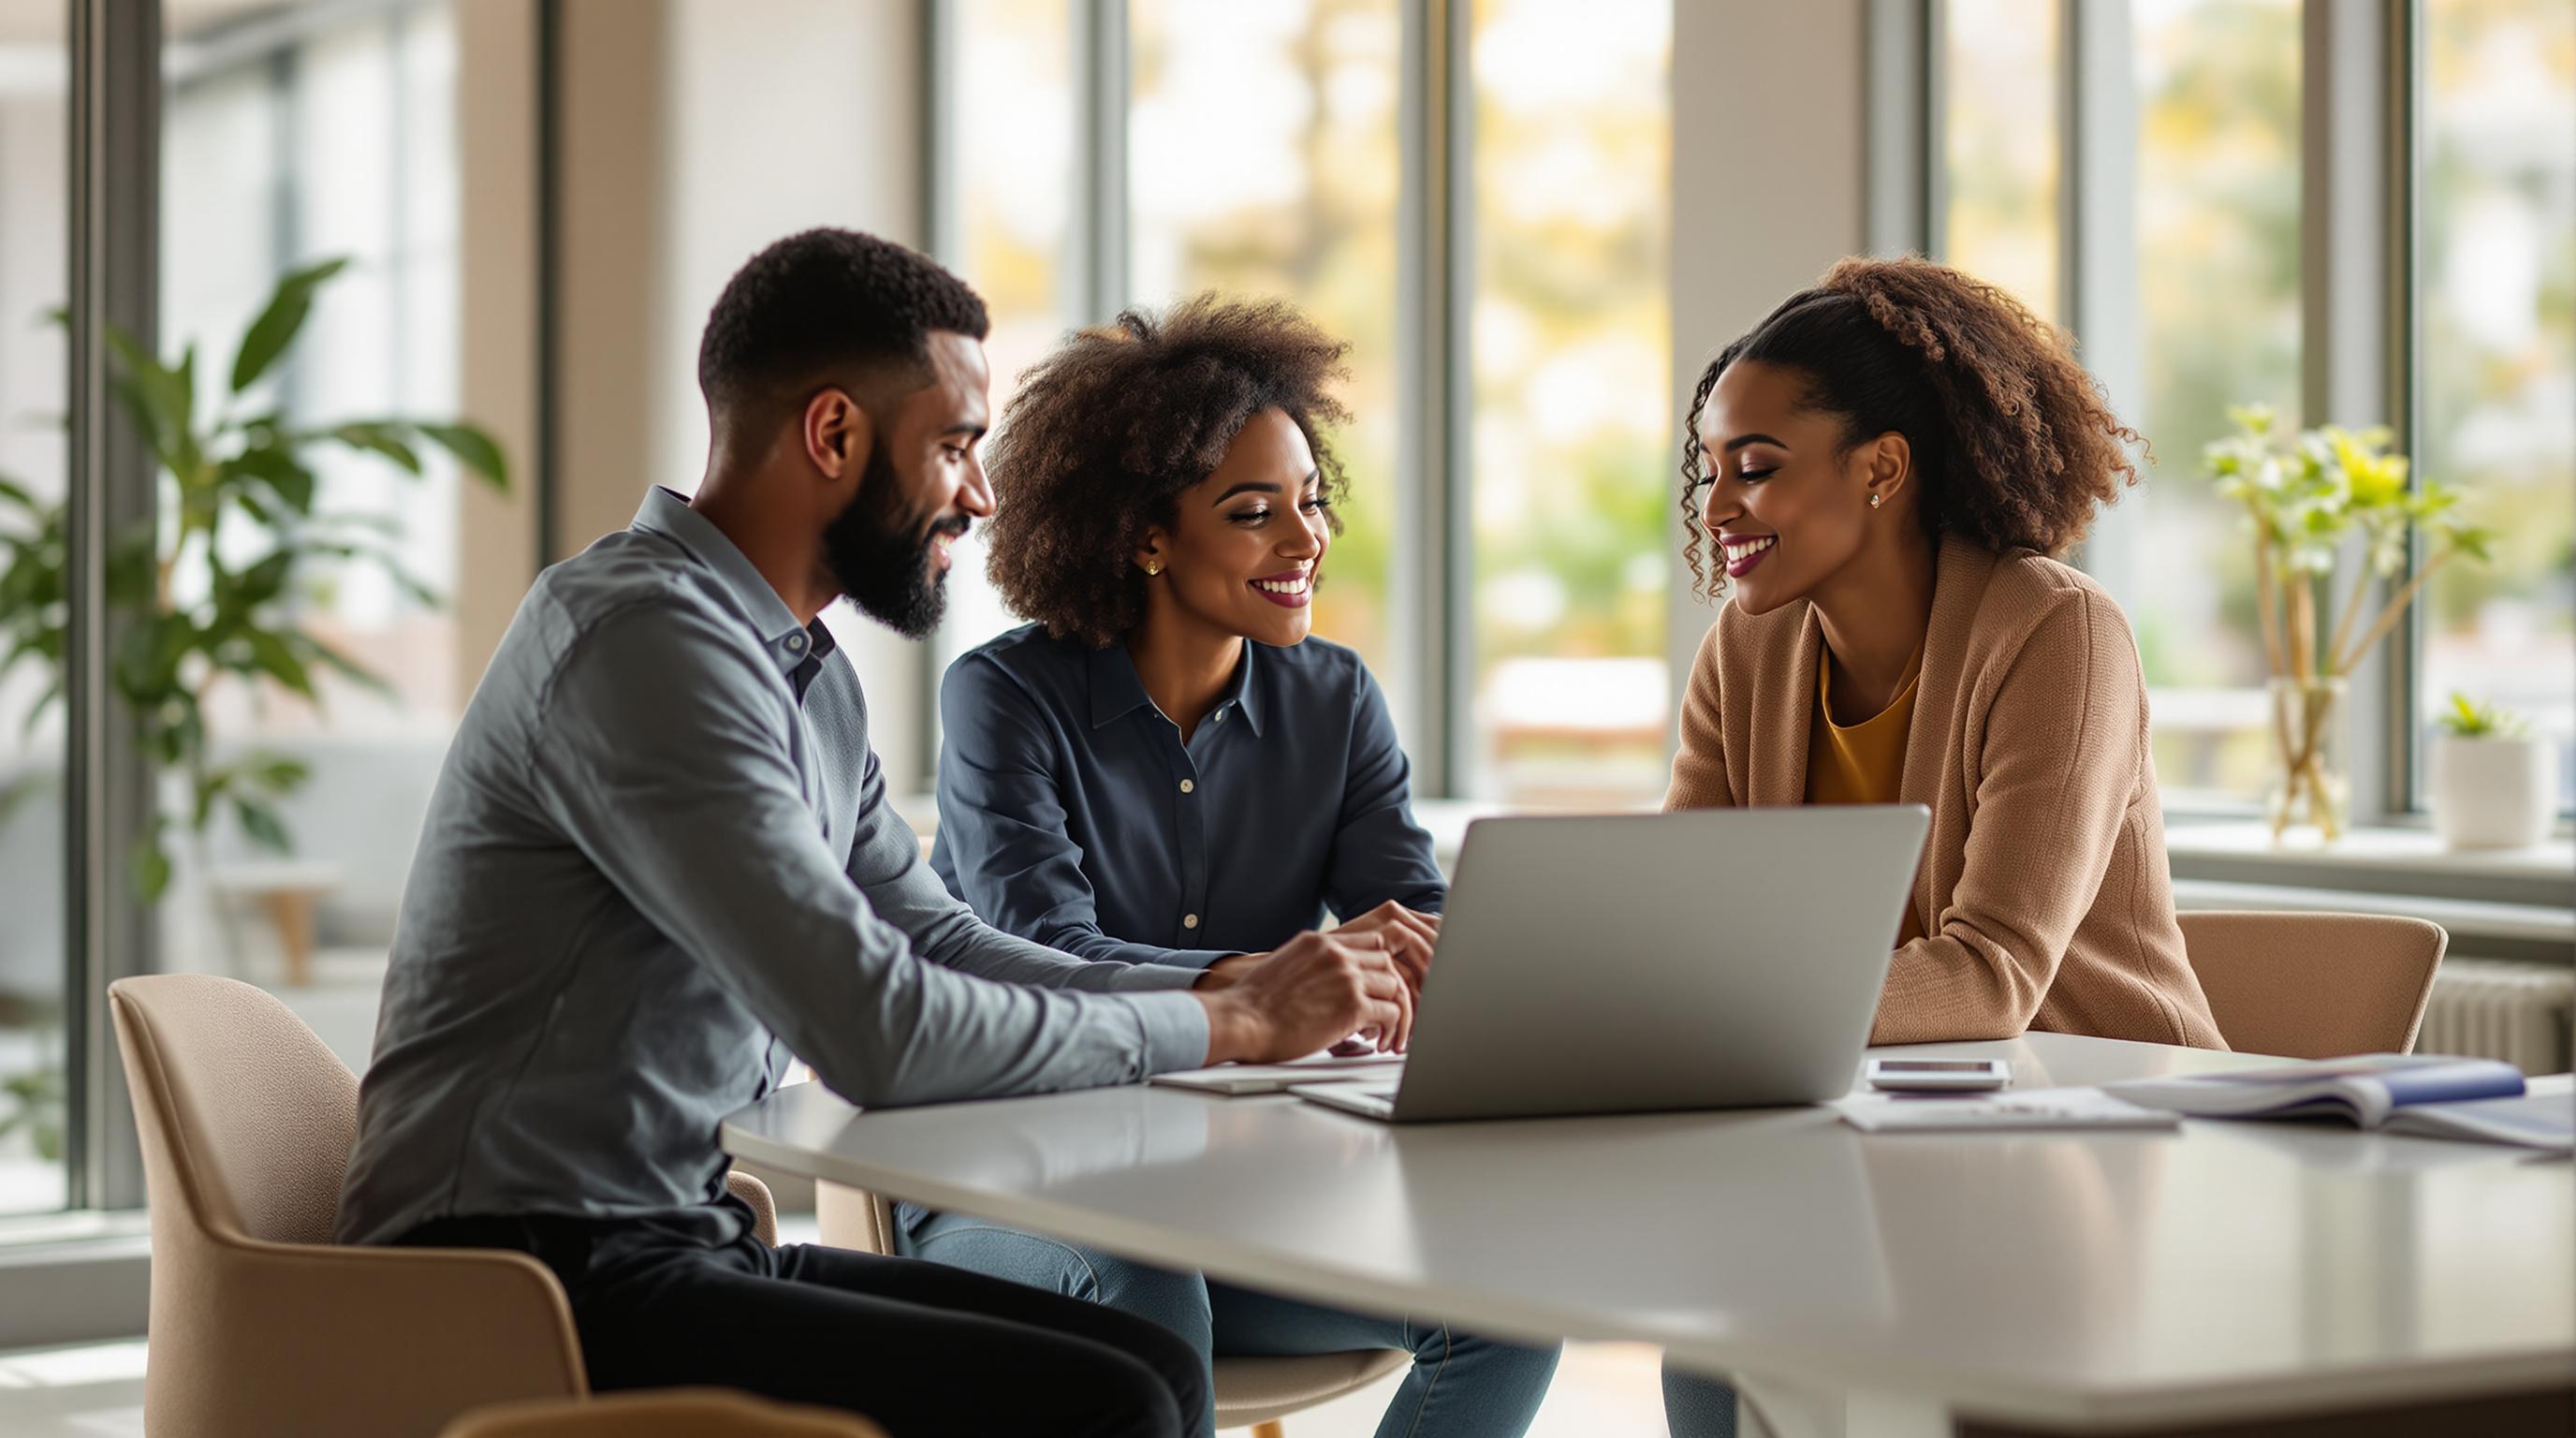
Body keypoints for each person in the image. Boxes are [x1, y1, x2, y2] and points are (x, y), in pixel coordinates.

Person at [335, 230, 1413, 1438]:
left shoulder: (798, 668)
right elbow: (876, 1029)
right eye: (953, 447)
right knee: (1108, 1402)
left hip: (682, 1234)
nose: (981, 494)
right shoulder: (644, 643)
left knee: (1146, 1369)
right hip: (516, 1269)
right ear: (834, 434)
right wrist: (1230, 1023)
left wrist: (1222, 980)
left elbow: (936, 938)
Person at [915, 295, 1562, 1438]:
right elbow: (1042, 955)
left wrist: (1461, 960)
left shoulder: (1337, 699)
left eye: (1310, 503)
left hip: (1249, 1196)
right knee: (1147, 1283)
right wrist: (1271, 982)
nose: (1305, 539)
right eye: (1254, 512)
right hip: (1012, 1189)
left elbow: (1408, 922)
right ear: (1145, 534)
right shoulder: (1003, 698)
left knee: (1508, 1302)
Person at [1658, 257, 2227, 1436]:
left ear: (1881, 469)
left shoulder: (2057, 634)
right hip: (1881, 1132)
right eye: (1710, 470)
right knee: (1707, 1341)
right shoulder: (1746, 653)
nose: (1717, 509)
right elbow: (1684, 915)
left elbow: (1990, 976)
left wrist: (1696, 1001)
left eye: (1754, 470)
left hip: (2099, 1144)